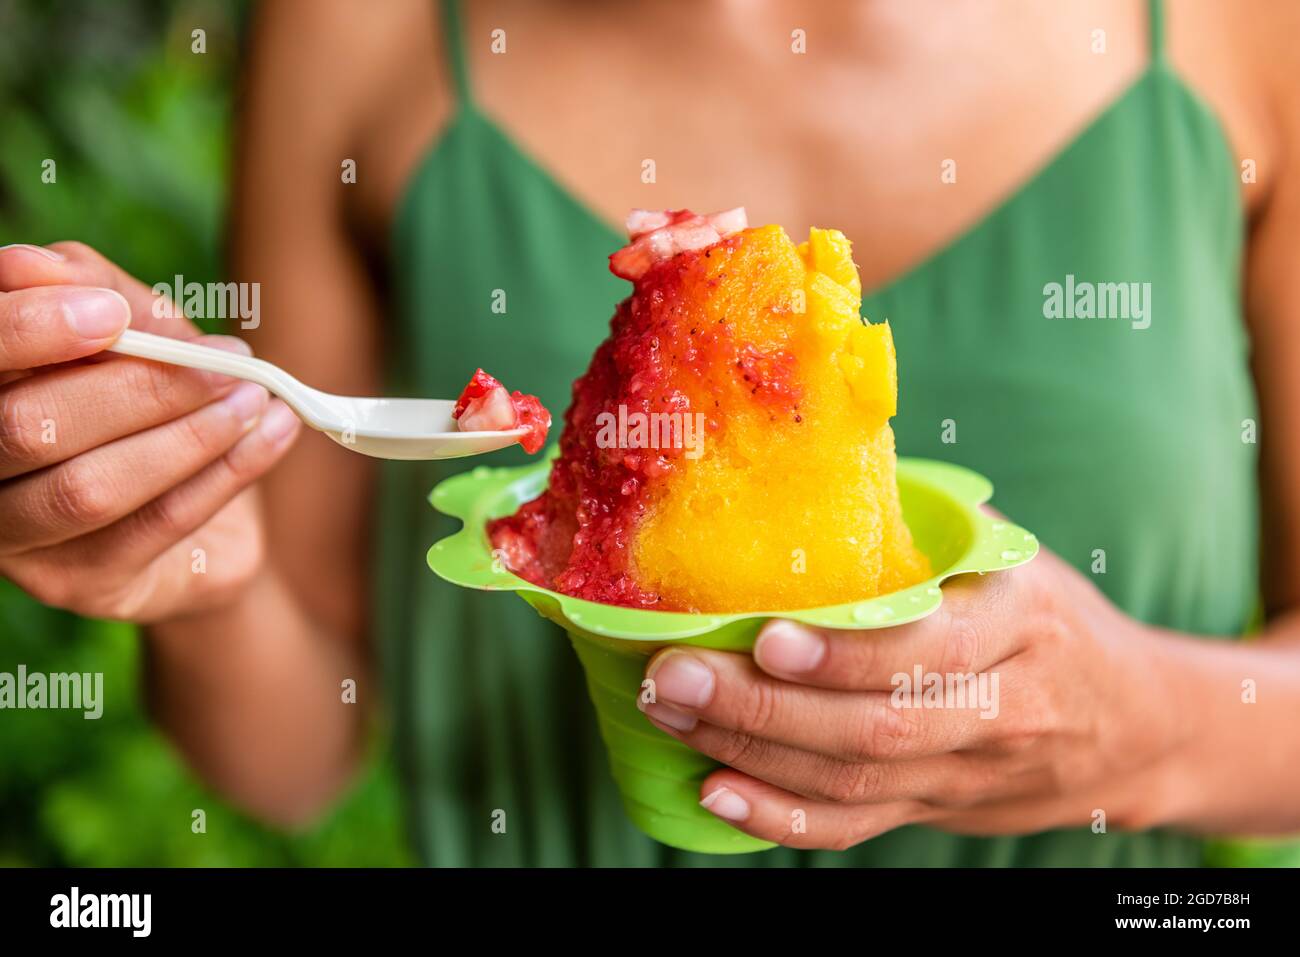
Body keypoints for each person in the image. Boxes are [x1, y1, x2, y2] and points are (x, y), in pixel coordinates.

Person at [1, 0, 1298, 866]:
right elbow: (290, 761)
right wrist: (201, 577)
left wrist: (1147, 726)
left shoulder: (1248, 31)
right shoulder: (360, 27)